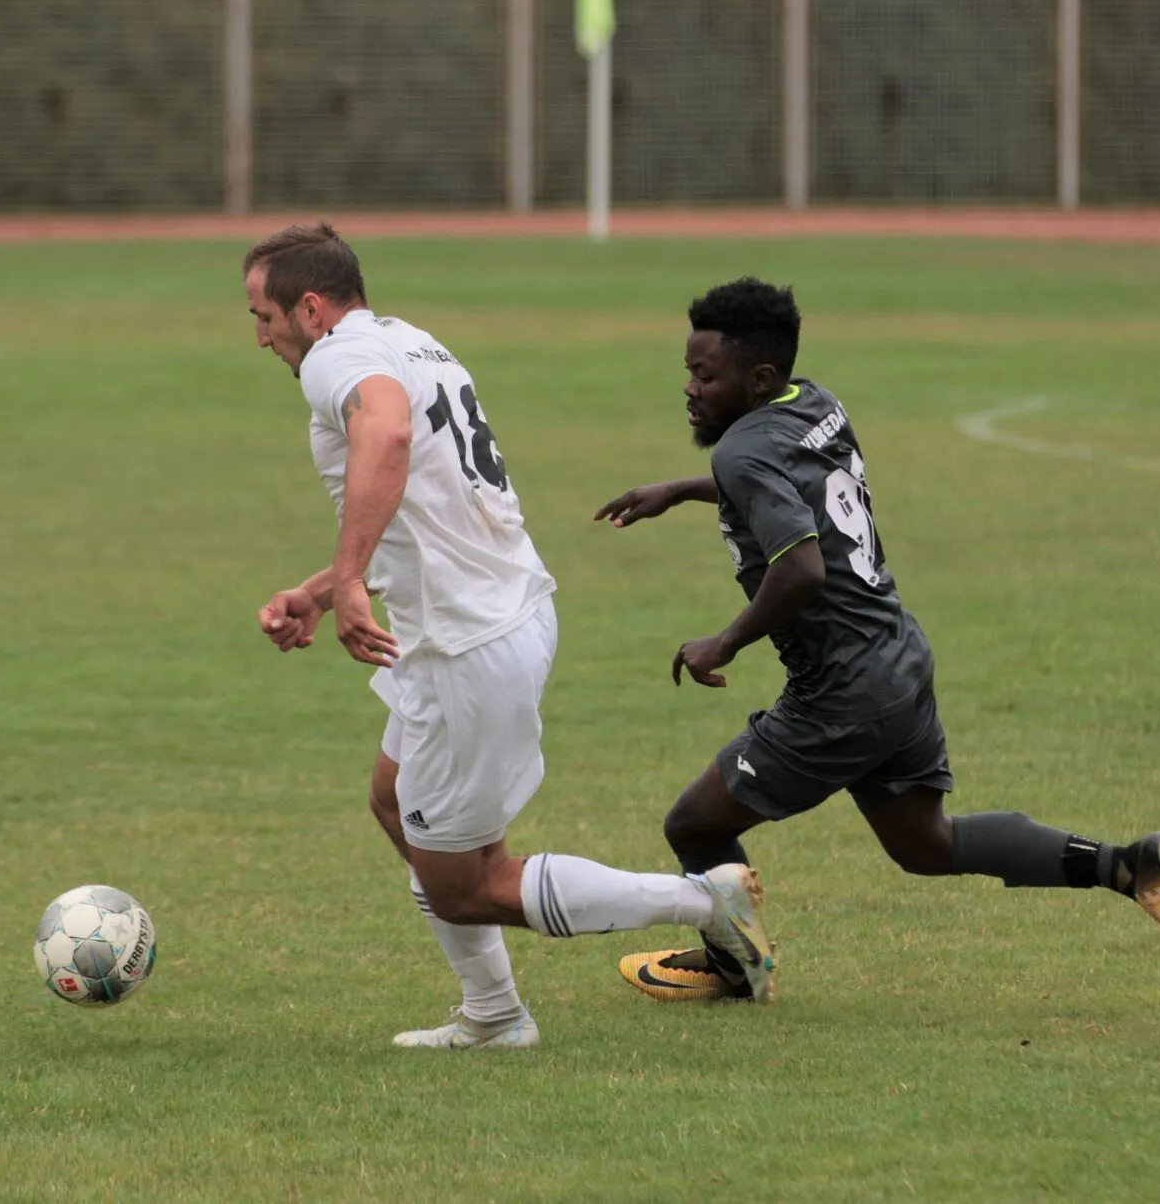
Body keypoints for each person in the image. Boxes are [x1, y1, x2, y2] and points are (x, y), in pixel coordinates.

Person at [596, 278, 1160, 1002]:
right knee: (927, 844)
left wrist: (723, 643)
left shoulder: (741, 453)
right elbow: (790, 480)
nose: (690, 389)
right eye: (689, 372)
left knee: (695, 826)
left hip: (841, 692)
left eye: (705, 376)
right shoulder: (814, 402)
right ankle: (1129, 865)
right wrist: (681, 489)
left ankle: (733, 967)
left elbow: (800, 569)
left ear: (757, 379)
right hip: (898, 658)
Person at [245, 222, 775, 1048]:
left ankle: (706, 902)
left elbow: (386, 435)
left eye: (263, 315)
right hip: (493, 613)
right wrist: (323, 590)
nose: (260, 336)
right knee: (393, 799)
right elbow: (432, 503)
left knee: (469, 884)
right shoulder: (411, 342)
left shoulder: (334, 358)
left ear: (311, 309)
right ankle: (492, 1012)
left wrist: (348, 580)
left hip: (468, 642)